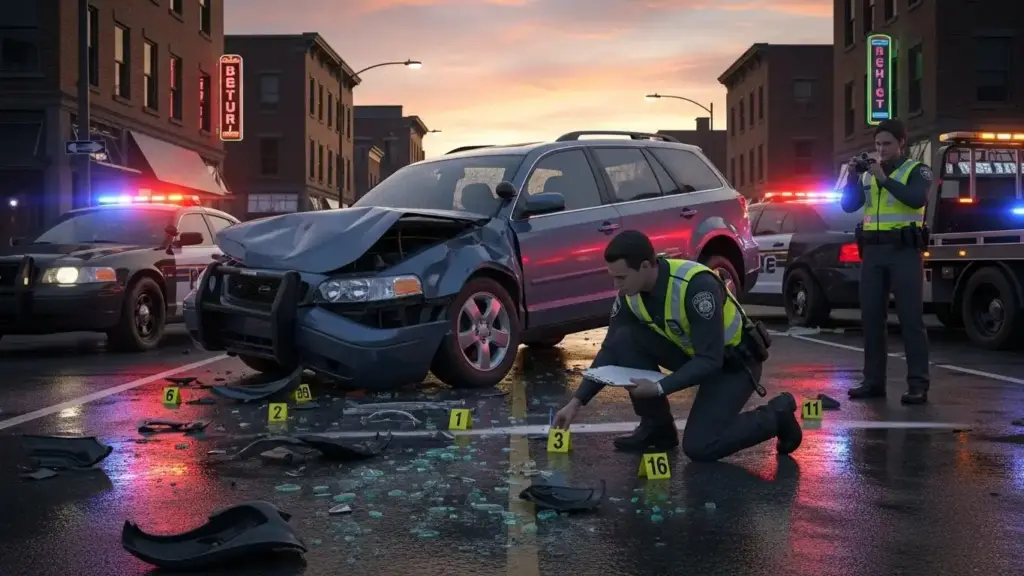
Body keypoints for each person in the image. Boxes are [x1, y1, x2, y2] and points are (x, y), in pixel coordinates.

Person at [552, 230, 802, 462]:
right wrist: (576, 403)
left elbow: (711, 359)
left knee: (700, 446)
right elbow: (610, 349)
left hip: (733, 364)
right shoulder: (631, 294)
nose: (616, 286)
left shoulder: (696, 287)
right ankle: (657, 429)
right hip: (694, 356)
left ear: (645, 266)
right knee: (624, 339)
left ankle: (776, 415)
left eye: (621, 277)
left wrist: (659, 388)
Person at [840, 119, 931, 405]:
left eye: (887, 144)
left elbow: (916, 199)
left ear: (901, 143)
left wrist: (884, 178)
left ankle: (918, 385)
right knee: (871, 318)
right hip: (873, 252)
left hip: (904, 251)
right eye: (878, 144)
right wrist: (853, 177)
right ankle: (873, 381)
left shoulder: (917, 170)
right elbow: (848, 205)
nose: (881, 149)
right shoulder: (869, 174)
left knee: (910, 319)